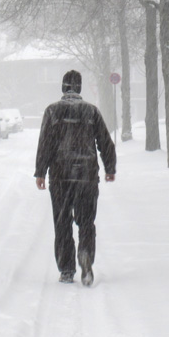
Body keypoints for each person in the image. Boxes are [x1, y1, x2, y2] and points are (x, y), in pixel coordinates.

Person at [35, 70, 116, 286]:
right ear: (79, 88)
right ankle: (86, 255)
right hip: (86, 176)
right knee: (86, 222)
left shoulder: (52, 112)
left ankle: (67, 269)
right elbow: (105, 142)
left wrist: (40, 172)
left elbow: (45, 144)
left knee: (62, 223)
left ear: (63, 87)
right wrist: (110, 168)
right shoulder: (91, 112)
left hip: (60, 177)